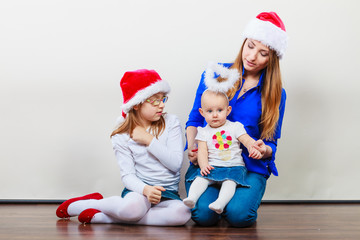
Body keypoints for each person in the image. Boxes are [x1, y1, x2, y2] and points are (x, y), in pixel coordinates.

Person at [185, 11, 288, 227]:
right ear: (244, 43)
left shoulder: (276, 94)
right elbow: (195, 119)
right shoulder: (216, 75)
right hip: (210, 162)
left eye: (263, 53)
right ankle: (218, 199)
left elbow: (271, 143)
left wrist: (263, 149)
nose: (252, 56)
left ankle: (234, 202)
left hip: (249, 167)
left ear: (273, 58)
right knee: (203, 216)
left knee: (238, 216)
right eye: (250, 46)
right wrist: (193, 147)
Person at [56, 69, 191, 226]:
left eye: (163, 99)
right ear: (136, 104)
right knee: (132, 209)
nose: (161, 105)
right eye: (155, 100)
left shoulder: (171, 122)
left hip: (168, 193)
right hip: (139, 191)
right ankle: (89, 204)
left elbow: (175, 164)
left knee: (182, 214)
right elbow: (128, 176)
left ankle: (104, 218)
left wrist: (149, 140)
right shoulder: (122, 135)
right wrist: (145, 189)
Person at [183, 90, 265, 214]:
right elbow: (202, 151)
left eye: (220, 110)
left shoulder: (235, 127)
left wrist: (253, 147)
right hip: (213, 166)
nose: (215, 115)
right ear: (202, 112)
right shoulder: (203, 131)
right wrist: (204, 165)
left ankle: (220, 203)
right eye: (210, 111)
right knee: (200, 179)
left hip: (233, 167)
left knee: (229, 183)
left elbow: (246, 140)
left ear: (228, 110)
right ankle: (192, 198)